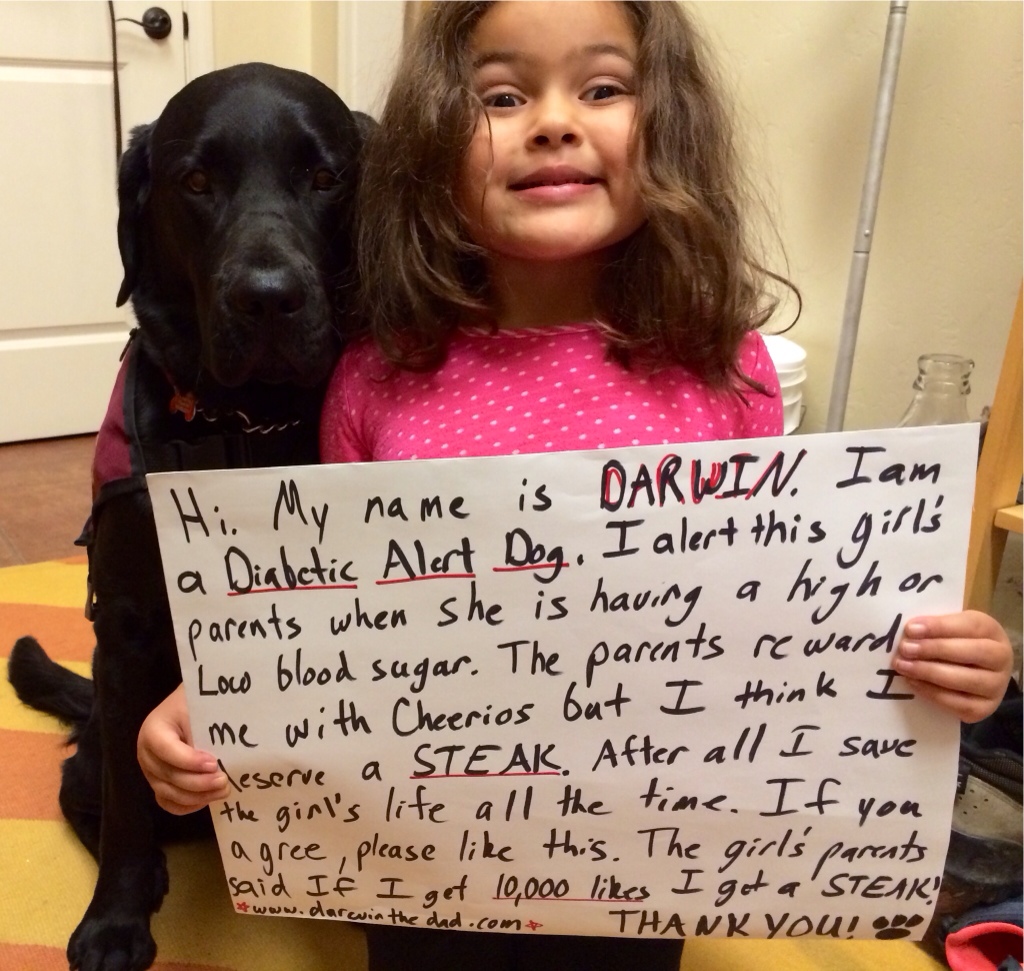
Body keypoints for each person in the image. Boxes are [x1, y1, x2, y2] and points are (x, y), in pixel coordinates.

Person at [138, 3, 1015, 969]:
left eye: (602, 88)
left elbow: (770, 623)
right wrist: (211, 697)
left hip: (639, 866)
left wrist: (944, 666)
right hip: (421, 867)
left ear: (670, 124)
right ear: (429, 144)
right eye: (501, 97)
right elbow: (317, 614)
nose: (553, 122)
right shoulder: (376, 376)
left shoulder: (728, 374)